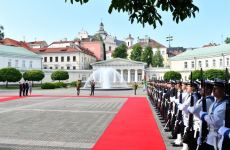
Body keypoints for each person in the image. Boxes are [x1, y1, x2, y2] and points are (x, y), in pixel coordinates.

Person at [199, 79, 227, 150]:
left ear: (223, 90)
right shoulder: (214, 103)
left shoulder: (225, 104)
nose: (213, 90)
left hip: (218, 139)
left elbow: (215, 121)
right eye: (213, 88)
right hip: (210, 136)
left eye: (216, 88)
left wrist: (204, 116)